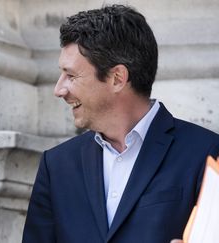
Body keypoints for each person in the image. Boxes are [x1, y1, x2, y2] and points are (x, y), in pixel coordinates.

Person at [22, 4, 219, 243]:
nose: (59, 89)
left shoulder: (206, 153)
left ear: (117, 78)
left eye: (71, 75)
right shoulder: (56, 166)